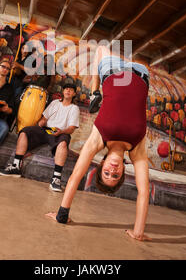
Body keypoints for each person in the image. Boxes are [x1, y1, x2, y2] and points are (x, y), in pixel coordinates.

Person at [46, 45, 152, 241]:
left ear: (101, 164)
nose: (113, 169)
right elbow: (144, 191)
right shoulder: (137, 149)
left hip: (112, 70)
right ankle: (96, 92)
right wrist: (138, 232)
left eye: (106, 173)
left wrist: (62, 215)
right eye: (115, 175)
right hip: (140, 74)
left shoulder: (98, 139)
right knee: (117, 52)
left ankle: (95, 91)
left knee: (101, 48)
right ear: (122, 172)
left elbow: (76, 176)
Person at [0, 83, 80, 192]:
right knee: (25, 132)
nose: (68, 91)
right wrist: (39, 126)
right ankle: (15, 167)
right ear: (63, 91)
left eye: (71, 90)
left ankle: (56, 178)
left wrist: (62, 131)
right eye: (66, 89)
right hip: (47, 129)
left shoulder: (74, 108)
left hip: (61, 131)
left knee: (63, 142)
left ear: (74, 93)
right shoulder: (55, 103)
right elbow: (44, 119)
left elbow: (71, 128)